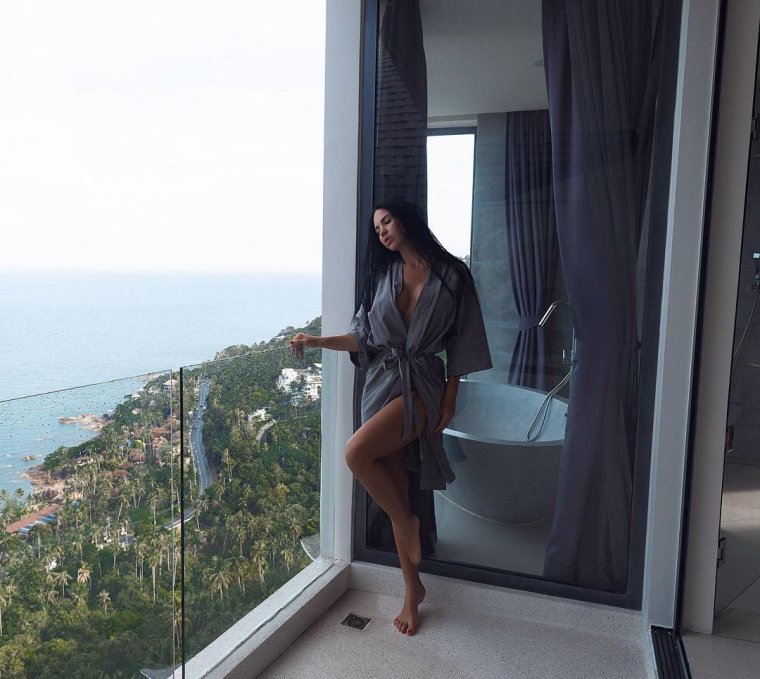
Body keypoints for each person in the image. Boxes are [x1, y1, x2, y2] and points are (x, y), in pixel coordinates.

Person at [290, 199, 491, 636]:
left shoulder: (451, 275)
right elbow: (362, 337)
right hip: (381, 384)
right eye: (376, 227)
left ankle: (405, 522)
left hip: (423, 385)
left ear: (405, 219)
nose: (381, 231)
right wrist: (316, 340)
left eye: (386, 221)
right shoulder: (384, 277)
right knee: (396, 488)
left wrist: (451, 398)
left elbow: (464, 341)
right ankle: (412, 591)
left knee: (356, 453)